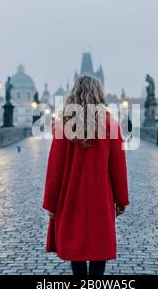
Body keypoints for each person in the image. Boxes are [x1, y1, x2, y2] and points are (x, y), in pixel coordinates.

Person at [42, 75, 129, 276]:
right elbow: (118, 168)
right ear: (99, 95)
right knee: (99, 251)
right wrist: (121, 200)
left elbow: (54, 168)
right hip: (101, 197)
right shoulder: (111, 126)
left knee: (76, 252)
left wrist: (51, 203)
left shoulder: (63, 125)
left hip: (70, 197)